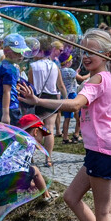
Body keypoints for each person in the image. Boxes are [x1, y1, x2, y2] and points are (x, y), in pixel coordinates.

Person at [19, 28, 111, 221]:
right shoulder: (110, 80)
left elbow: (77, 104)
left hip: (103, 151)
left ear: (107, 55)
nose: (86, 56)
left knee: (103, 211)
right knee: (71, 196)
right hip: (104, 151)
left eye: (92, 52)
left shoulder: (98, 80)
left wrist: (38, 100)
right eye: (83, 51)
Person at [0, 113, 57, 221]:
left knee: (0, 207)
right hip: (14, 174)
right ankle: (47, 197)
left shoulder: (14, 146)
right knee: (36, 171)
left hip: (2, 177)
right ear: (34, 132)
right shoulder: (27, 140)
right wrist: (8, 129)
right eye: (41, 134)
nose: (42, 138)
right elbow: (20, 137)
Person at [27, 39, 67, 167]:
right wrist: (66, 101)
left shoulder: (33, 67)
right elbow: (60, 85)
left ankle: (31, 157)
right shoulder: (54, 65)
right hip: (52, 99)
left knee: (33, 129)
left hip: (37, 99)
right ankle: (48, 159)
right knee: (50, 129)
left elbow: (31, 86)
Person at [0, 34, 28, 125]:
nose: (20, 55)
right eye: (17, 52)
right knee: (13, 137)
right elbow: (6, 91)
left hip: (2, 107)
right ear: (6, 52)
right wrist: (6, 114)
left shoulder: (5, 65)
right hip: (9, 108)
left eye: (22, 52)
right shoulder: (9, 69)